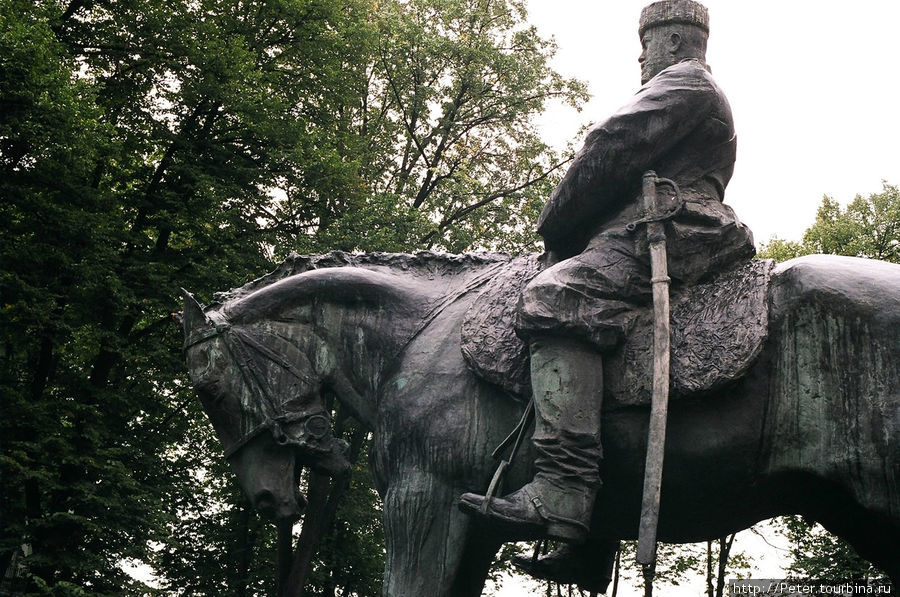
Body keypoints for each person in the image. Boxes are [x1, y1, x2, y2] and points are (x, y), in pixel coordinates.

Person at [460, 0, 755, 548]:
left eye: (645, 45)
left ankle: (563, 487)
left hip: (670, 231)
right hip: (658, 227)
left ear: (671, 41)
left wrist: (557, 228)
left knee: (553, 295)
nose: (639, 57)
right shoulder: (698, 91)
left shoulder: (685, 82)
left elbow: (610, 147)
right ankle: (590, 541)